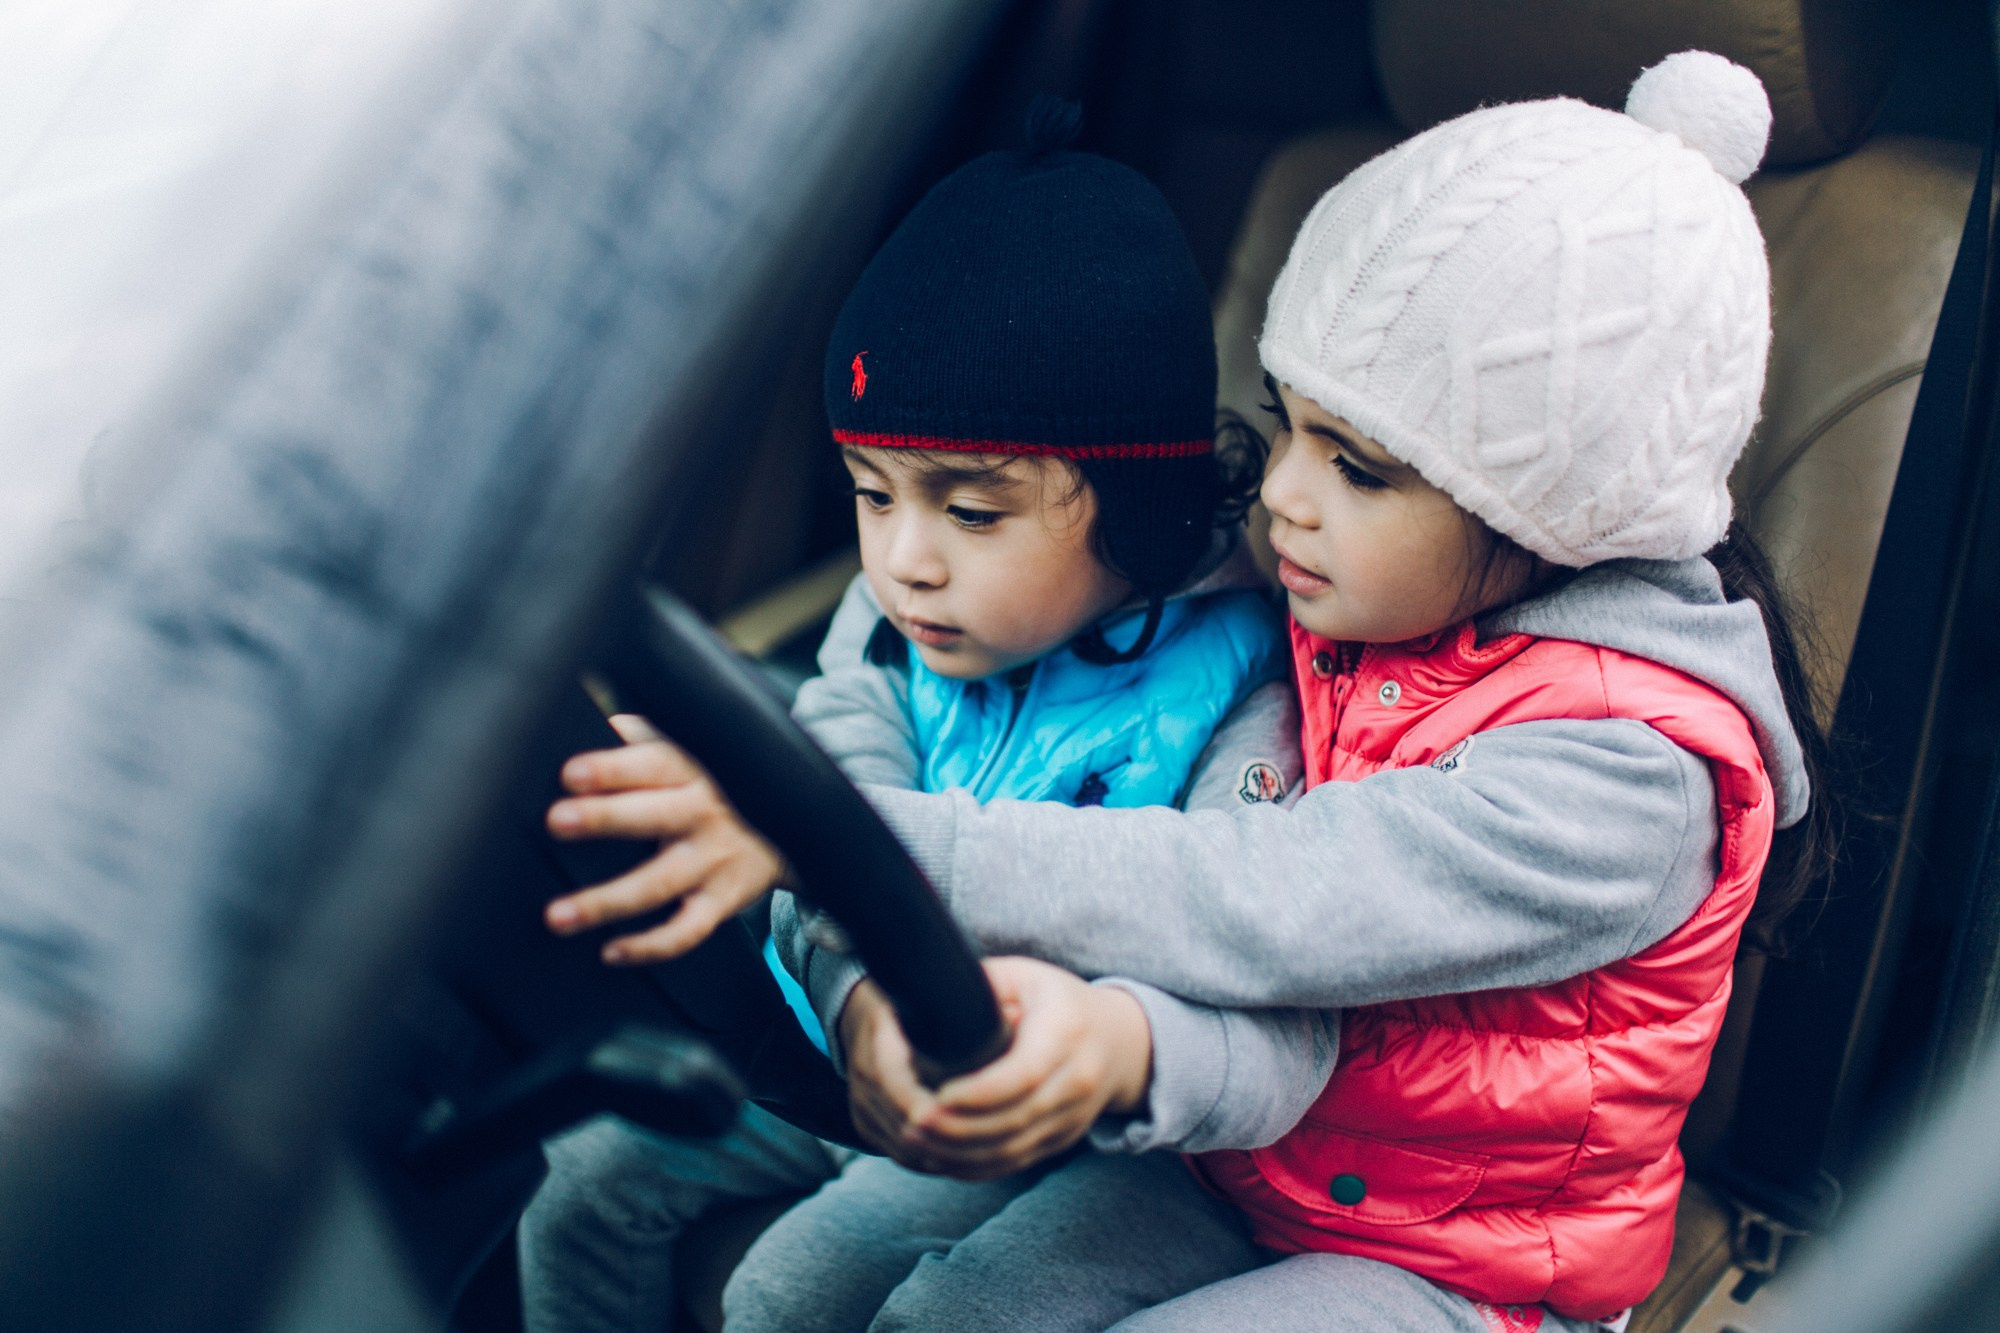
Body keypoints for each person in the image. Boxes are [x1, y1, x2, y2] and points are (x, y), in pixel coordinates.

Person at [583, 52, 1833, 1331]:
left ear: (1547, 512)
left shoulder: (1626, 776)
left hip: (1469, 1266)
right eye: (1286, 423)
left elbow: (1262, 898)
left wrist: (830, 839)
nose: (1281, 492)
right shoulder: (1344, 602)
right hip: (1244, 1167)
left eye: (1355, 466)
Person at [514, 102, 1309, 1333]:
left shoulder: (1245, 689)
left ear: (1143, 507)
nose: (902, 561)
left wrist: (1086, 1049)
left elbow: (1247, 954)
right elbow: (827, 804)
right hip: (859, 1058)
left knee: (794, 1291)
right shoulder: (893, 623)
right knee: (585, 1181)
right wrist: (860, 1012)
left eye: (971, 512)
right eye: (869, 495)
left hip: (1071, 1138)